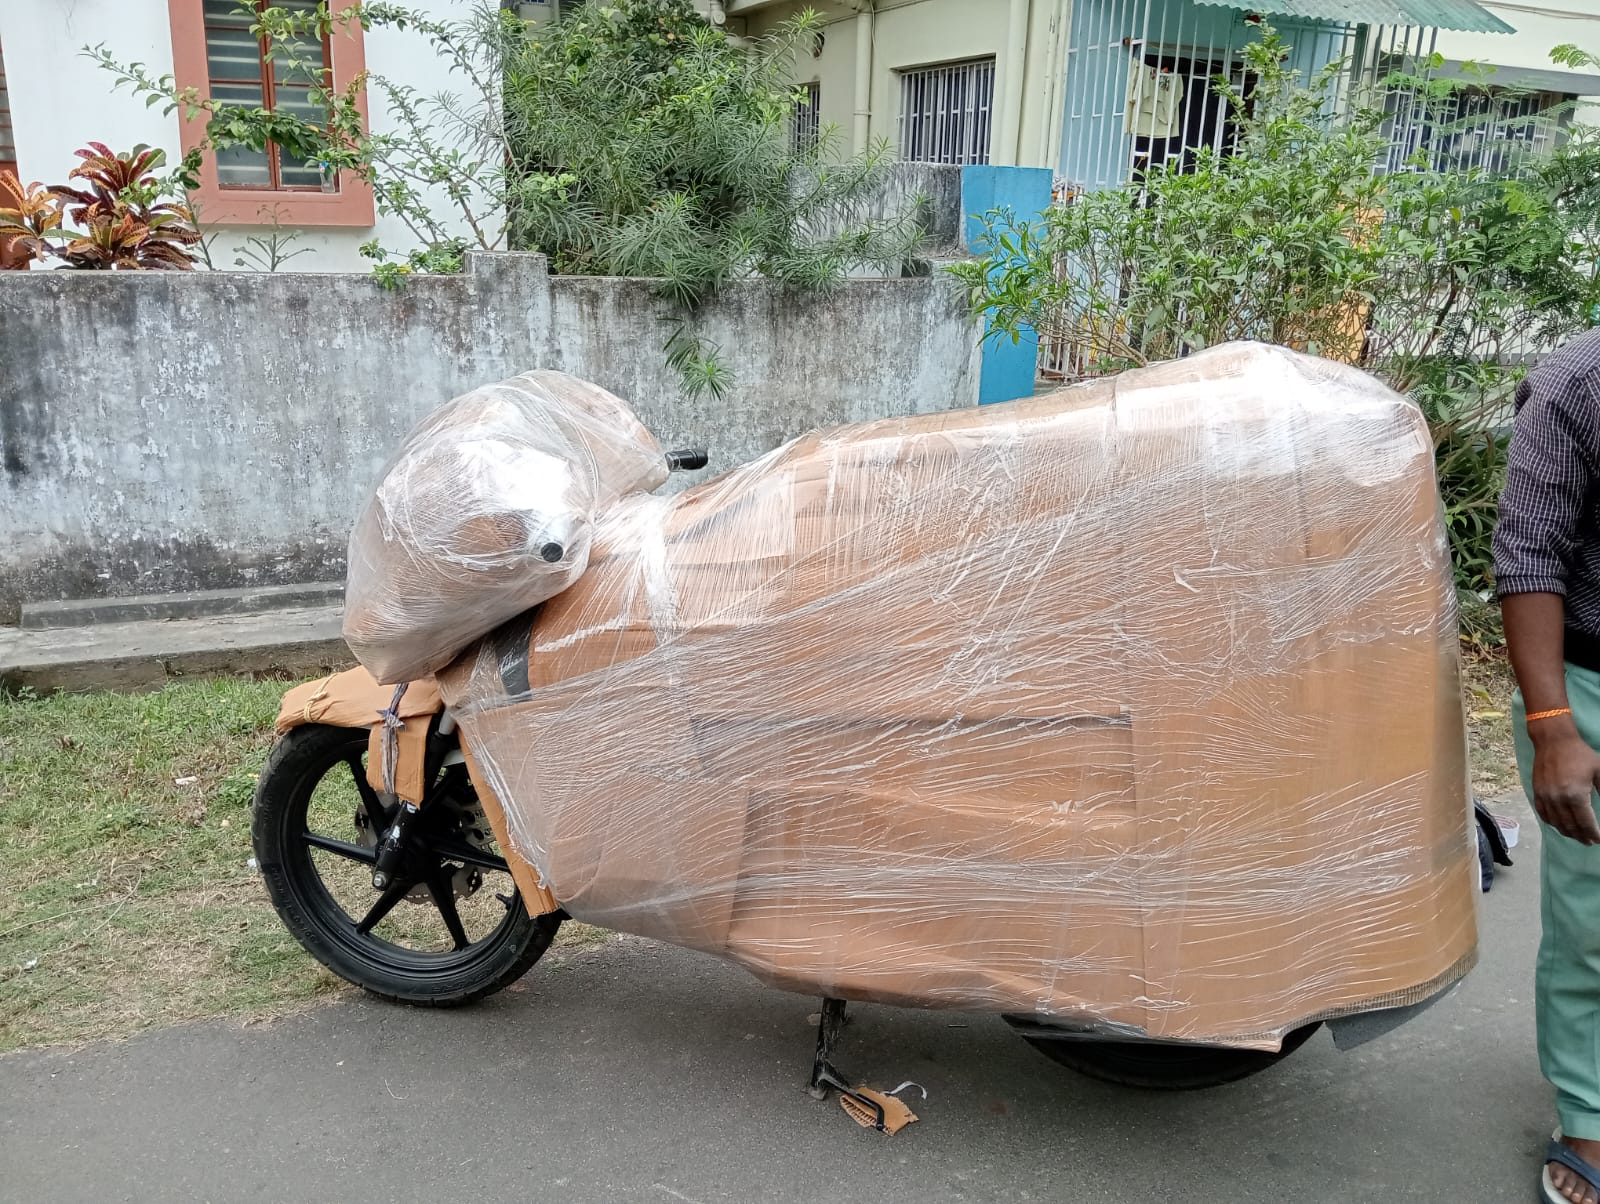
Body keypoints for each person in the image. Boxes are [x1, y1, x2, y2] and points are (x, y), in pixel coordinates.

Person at [1495, 328, 1600, 1204]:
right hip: (1592, 684)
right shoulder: (1581, 380)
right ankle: (1589, 1115)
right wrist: (1553, 725)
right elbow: (1529, 552)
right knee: (1593, 922)